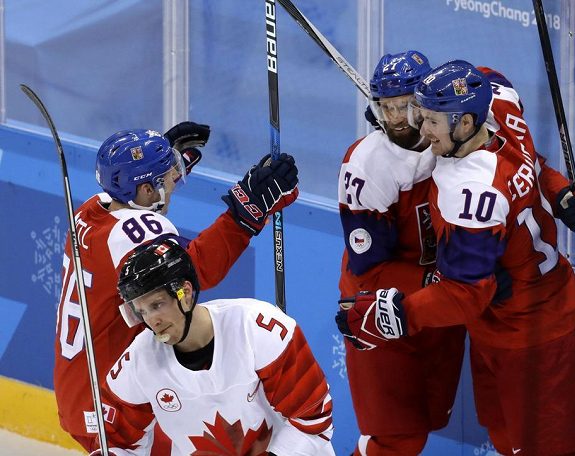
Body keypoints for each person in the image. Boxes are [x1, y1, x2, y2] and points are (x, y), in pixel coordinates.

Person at [337, 61, 575, 455]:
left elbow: (464, 294)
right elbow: (530, 160)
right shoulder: (503, 113)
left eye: (432, 122)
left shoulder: (470, 191)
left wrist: (394, 315)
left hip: (529, 331)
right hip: (495, 324)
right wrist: (561, 194)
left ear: (464, 123)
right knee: (505, 438)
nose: (422, 131)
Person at [54, 124, 299, 453]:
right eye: (168, 177)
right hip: (112, 404)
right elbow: (194, 271)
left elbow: (137, 207)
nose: (175, 180)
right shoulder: (133, 234)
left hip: (80, 388)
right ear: (144, 191)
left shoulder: (93, 210)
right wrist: (247, 210)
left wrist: (158, 156)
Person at [88, 238, 334, 455]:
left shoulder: (256, 328)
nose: (152, 321)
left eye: (157, 305)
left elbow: (312, 420)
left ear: (185, 292)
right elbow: (116, 443)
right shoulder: (139, 360)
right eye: (141, 311)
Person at [337, 50, 467, 456]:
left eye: (405, 106)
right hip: (380, 306)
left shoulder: (450, 134)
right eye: (386, 107)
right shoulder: (367, 165)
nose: (394, 118)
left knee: (425, 422)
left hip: (437, 300)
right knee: (396, 438)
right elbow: (369, 270)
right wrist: (447, 284)